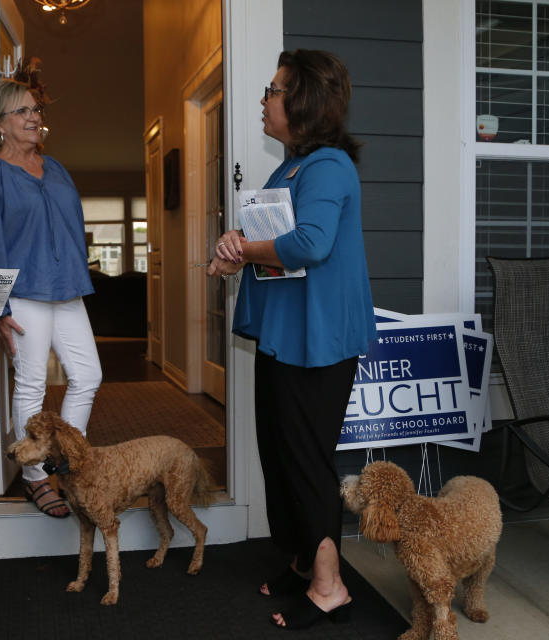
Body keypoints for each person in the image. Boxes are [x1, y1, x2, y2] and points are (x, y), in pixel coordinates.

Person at [208, 49, 376, 630]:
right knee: (279, 454)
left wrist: (243, 249)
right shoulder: (289, 170)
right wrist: (237, 250)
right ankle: (305, 562)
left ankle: (332, 587)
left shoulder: (329, 167)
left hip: (321, 339)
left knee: (305, 460)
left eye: (273, 90)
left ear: (302, 102)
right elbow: (270, 241)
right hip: (287, 334)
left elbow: (309, 244)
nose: (264, 99)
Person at [0, 78, 102, 518]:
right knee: (33, 385)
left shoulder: (55, 168)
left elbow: (72, 228)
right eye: (22, 111)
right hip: (23, 296)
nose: (34, 117)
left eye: (36, 110)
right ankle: (36, 479)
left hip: (67, 289)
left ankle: (65, 462)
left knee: (88, 376)